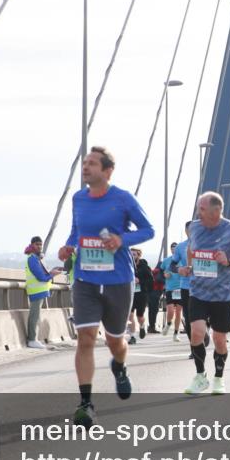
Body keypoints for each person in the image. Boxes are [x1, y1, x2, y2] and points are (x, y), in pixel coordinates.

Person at [57, 146, 154, 428]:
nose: (85, 167)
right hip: (86, 279)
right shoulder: (78, 198)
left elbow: (148, 230)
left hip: (118, 281)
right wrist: (69, 246)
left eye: (92, 164)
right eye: (84, 163)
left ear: (107, 170)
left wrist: (121, 239)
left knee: (115, 342)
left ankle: (119, 366)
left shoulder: (122, 199)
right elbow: (77, 231)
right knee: (85, 338)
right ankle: (86, 404)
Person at [179, 192, 230, 395]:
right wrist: (189, 267)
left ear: (216, 210)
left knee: (219, 339)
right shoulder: (194, 227)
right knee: (196, 332)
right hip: (198, 291)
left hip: (223, 294)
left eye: (202, 209)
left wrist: (228, 261)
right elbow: (191, 250)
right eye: (198, 208)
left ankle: (219, 377)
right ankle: (200, 376)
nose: (198, 212)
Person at [24, 235, 61, 349]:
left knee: (36, 315)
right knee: (34, 315)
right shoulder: (32, 259)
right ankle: (32, 339)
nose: (39, 246)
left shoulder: (37, 258)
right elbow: (41, 277)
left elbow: (43, 275)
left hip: (39, 291)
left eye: (41, 244)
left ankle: (34, 339)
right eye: (37, 244)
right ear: (32, 245)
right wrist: (52, 274)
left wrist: (51, 272)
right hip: (36, 291)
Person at [127, 248, 153, 342]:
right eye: (131, 254)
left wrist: (140, 281)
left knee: (139, 316)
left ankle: (142, 326)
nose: (132, 256)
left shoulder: (144, 267)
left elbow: (151, 280)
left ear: (138, 255)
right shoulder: (127, 266)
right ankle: (132, 336)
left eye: (134, 254)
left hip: (141, 294)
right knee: (130, 315)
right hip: (130, 293)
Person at [160, 242, 183, 341]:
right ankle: (168, 324)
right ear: (170, 249)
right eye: (172, 248)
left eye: (175, 248)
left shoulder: (183, 260)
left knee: (178, 312)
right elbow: (160, 272)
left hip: (181, 288)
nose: (174, 249)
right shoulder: (166, 260)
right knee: (170, 310)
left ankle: (176, 333)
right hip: (170, 288)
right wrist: (164, 275)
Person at [147, 260, 165, 334]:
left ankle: (151, 326)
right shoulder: (160, 271)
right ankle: (152, 327)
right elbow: (160, 280)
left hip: (150, 292)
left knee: (151, 310)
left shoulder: (153, 271)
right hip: (156, 291)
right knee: (154, 310)